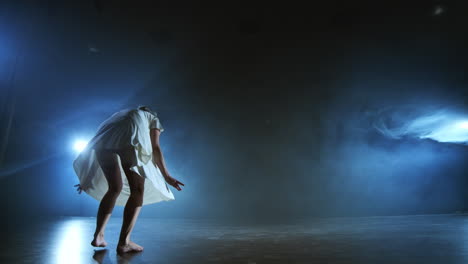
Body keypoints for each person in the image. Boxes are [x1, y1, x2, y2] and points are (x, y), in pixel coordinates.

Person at [73, 106, 184, 254]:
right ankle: (124, 243)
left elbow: (98, 144)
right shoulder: (152, 118)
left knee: (114, 188)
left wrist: (86, 179)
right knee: (137, 190)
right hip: (129, 142)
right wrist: (167, 176)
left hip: (101, 144)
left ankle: (98, 236)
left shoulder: (120, 114)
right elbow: (155, 147)